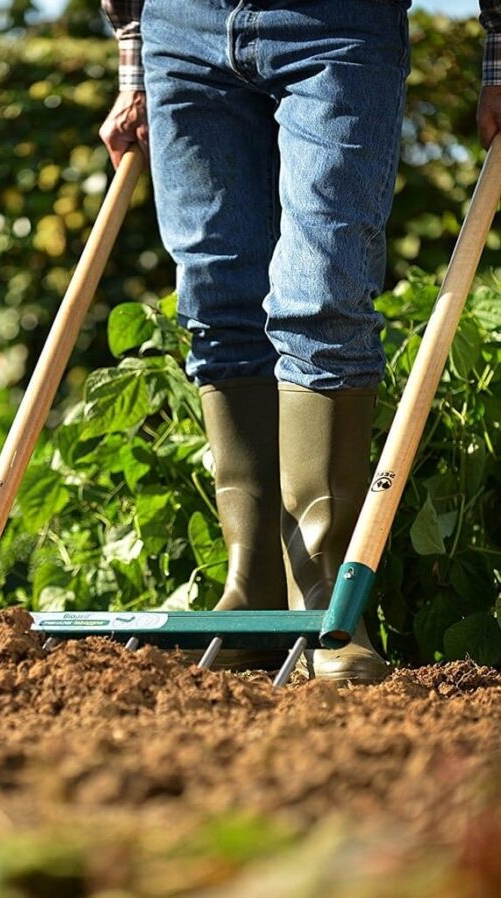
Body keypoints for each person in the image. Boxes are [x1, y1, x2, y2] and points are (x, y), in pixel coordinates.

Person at [98, 1, 501, 680]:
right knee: (217, 303)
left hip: (338, 20)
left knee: (322, 295)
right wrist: (135, 54)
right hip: (181, 25)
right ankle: (250, 594)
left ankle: (325, 603)